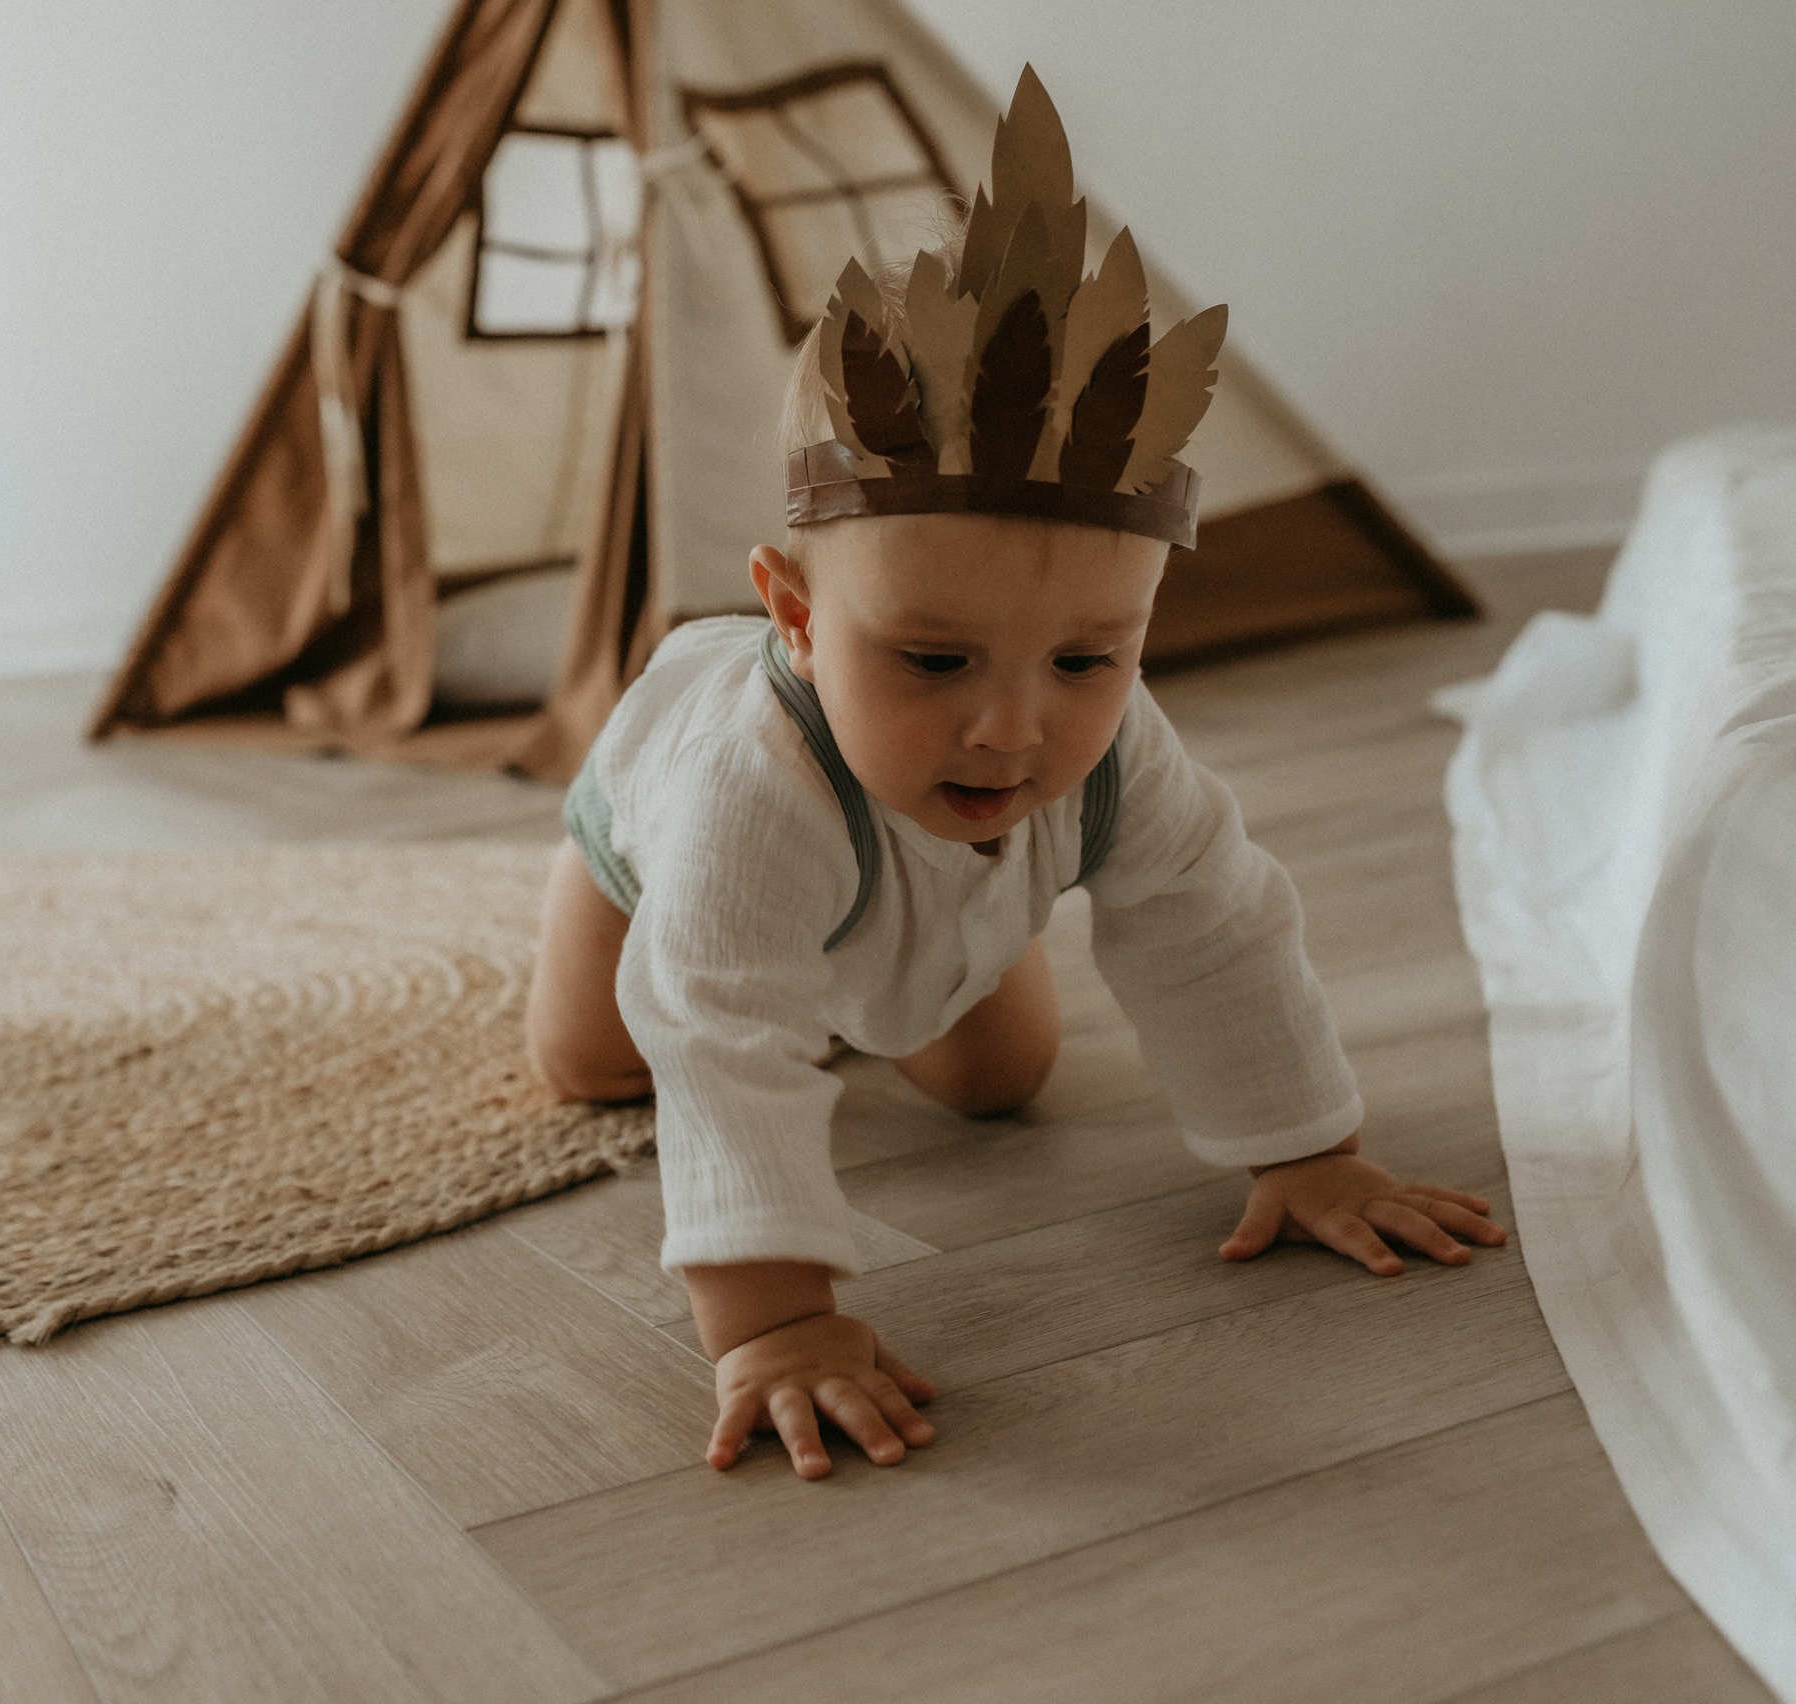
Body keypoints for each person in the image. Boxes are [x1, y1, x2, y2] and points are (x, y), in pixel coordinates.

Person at [523, 67, 1507, 1482]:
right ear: (794, 613)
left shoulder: (1112, 750)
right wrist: (778, 1324)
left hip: (921, 879)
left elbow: (1217, 925)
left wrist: (1307, 1152)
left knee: (1002, 1081)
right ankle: (757, 942)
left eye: (1087, 659)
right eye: (933, 660)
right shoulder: (745, 788)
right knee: (597, 1061)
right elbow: (717, 1034)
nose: (1010, 729)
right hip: (650, 852)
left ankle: (872, 954)